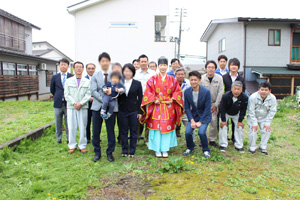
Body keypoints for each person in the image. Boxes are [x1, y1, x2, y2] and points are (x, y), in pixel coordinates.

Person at [140, 56, 183, 158]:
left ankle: (165, 149)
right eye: (161, 65)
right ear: (158, 66)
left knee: (167, 128)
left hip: (168, 107)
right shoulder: (153, 79)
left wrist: (172, 99)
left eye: (164, 65)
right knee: (156, 129)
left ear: (167, 66)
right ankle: (156, 149)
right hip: (156, 107)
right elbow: (148, 92)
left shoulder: (172, 79)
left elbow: (178, 91)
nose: (163, 67)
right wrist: (154, 99)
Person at [91, 52, 120, 162]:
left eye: (107, 61)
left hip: (111, 107)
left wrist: (112, 95)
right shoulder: (95, 76)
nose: (105, 63)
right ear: (99, 62)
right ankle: (97, 152)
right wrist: (103, 100)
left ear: (109, 62)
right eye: (102, 61)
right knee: (96, 131)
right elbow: (93, 91)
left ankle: (110, 152)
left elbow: (119, 90)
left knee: (110, 131)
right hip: (97, 106)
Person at [182, 71, 212, 158]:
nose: (193, 82)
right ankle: (190, 147)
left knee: (201, 132)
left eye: (195, 80)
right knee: (187, 132)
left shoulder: (206, 92)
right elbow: (187, 107)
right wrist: (191, 120)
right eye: (191, 80)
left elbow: (207, 108)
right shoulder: (187, 92)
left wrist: (201, 122)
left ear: (199, 80)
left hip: (204, 115)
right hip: (193, 115)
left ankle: (205, 149)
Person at [64, 61, 91, 154]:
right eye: (77, 67)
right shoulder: (68, 81)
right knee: (71, 126)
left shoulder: (87, 81)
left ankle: (82, 145)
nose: (79, 69)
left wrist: (81, 103)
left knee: (83, 126)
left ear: (83, 69)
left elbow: (88, 95)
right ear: (74, 69)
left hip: (83, 107)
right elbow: (66, 94)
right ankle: (72, 146)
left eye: (80, 67)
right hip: (71, 107)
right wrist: (75, 103)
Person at [118, 64, 143, 157]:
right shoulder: (119, 83)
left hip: (134, 110)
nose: (127, 73)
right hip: (122, 110)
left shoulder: (137, 83)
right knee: (123, 131)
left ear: (133, 72)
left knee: (133, 131)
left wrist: (140, 111)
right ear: (123, 72)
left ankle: (132, 151)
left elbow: (140, 98)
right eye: (125, 71)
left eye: (129, 71)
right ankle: (124, 150)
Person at [247, 81, 277, 155]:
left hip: (264, 117)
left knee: (266, 130)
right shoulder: (253, 97)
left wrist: (268, 123)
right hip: (253, 116)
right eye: (262, 89)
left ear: (269, 91)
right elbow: (251, 110)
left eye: (266, 90)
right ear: (258, 90)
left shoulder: (272, 98)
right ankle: (252, 147)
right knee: (253, 130)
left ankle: (263, 147)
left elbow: (272, 111)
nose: (264, 92)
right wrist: (254, 123)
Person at [219, 81, 248, 153]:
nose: (236, 91)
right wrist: (223, 120)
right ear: (231, 89)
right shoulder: (225, 96)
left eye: (238, 89)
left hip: (236, 113)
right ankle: (223, 144)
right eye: (235, 89)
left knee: (239, 127)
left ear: (241, 90)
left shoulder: (244, 97)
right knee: (223, 127)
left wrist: (240, 121)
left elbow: (243, 110)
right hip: (226, 112)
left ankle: (239, 145)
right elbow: (222, 108)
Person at [222, 58, 246, 143]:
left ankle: (234, 137)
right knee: (225, 120)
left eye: (235, 65)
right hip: (227, 101)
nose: (234, 67)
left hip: (237, 101)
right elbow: (222, 89)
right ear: (229, 66)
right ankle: (225, 137)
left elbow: (243, 91)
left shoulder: (241, 78)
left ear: (238, 67)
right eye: (232, 65)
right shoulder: (224, 77)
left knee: (235, 120)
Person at [50, 58, 73, 144]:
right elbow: (52, 89)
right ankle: (59, 139)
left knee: (68, 122)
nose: (63, 66)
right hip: (58, 103)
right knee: (58, 122)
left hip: (68, 103)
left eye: (65, 64)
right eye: (61, 64)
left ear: (68, 66)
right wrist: (58, 96)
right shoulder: (55, 77)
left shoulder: (71, 76)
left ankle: (68, 138)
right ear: (59, 66)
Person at [200, 60, 223, 147]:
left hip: (214, 103)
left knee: (214, 121)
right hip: (204, 104)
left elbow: (220, 92)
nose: (211, 69)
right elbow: (200, 92)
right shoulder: (202, 78)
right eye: (209, 67)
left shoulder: (219, 78)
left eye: (213, 67)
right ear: (206, 69)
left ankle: (212, 139)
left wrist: (216, 105)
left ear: (215, 69)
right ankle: (203, 139)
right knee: (203, 122)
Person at [134, 54, 156, 143]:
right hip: (137, 99)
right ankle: (136, 137)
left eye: (145, 61)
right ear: (139, 62)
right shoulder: (135, 73)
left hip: (149, 99)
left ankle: (147, 139)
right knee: (137, 118)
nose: (143, 63)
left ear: (147, 62)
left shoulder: (153, 73)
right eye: (141, 61)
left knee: (149, 118)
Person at [174, 67, 190, 137]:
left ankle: (191, 142)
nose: (180, 76)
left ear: (185, 75)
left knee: (189, 126)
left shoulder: (189, 83)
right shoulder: (172, 83)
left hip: (185, 108)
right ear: (175, 75)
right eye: (178, 74)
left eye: (182, 74)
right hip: (174, 108)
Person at [112, 62, 123, 144]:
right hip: (111, 103)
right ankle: (111, 138)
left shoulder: (124, 79)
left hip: (121, 104)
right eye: (115, 68)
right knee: (111, 123)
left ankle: (120, 138)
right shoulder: (109, 79)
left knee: (121, 123)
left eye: (118, 68)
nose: (117, 69)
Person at [85, 63, 96, 144]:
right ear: (86, 69)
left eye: (92, 68)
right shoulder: (83, 79)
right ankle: (87, 137)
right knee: (87, 121)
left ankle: (96, 137)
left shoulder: (97, 78)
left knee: (96, 121)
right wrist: (89, 97)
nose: (91, 70)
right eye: (89, 68)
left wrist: (94, 97)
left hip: (96, 102)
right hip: (87, 103)